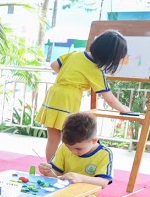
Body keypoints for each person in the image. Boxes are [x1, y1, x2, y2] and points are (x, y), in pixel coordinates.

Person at [35, 30, 131, 162]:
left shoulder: (75, 54)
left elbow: (54, 65)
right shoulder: (95, 70)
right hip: (68, 99)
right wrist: (124, 109)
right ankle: (61, 168)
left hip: (54, 94)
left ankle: (51, 167)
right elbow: (109, 98)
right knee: (69, 139)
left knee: (52, 139)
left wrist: (68, 78)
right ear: (109, 57)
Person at [39, 112, 113, 197]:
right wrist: (47, 171)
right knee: (38, 185)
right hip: (61, 190)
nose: (73, 151)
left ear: (94, 140)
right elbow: (56, 174)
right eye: (69, 147)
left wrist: (80, 178)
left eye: (78, 149)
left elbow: (103, 182)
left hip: (82, 196)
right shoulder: (64, 147)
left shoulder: (104, 153)